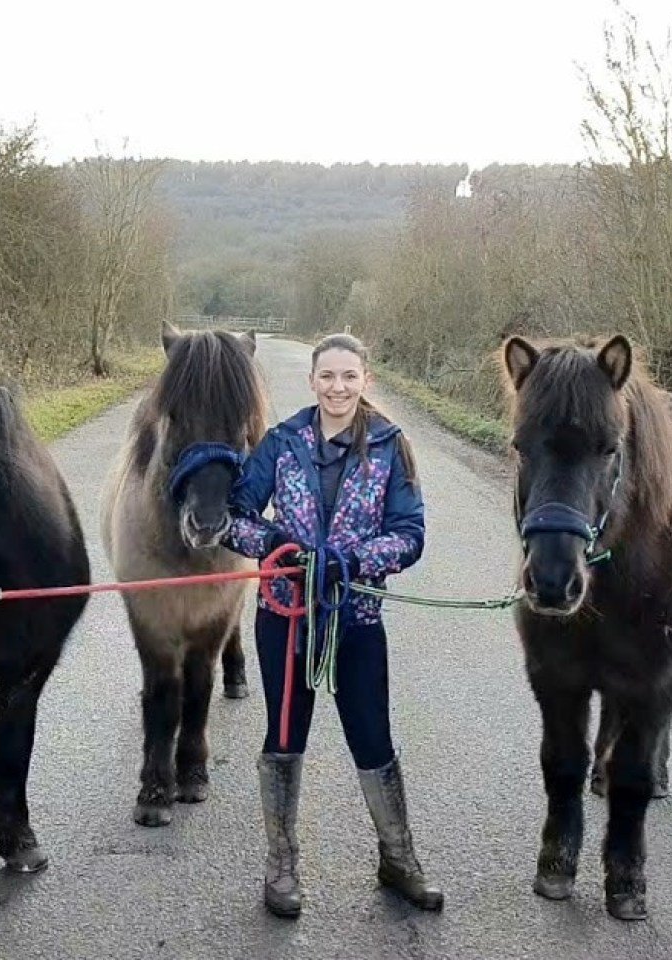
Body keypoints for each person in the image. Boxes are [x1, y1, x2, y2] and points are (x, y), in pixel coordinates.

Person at [223, 333, 443, 918]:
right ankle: (282, 865)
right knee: (285, 736)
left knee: (372, 738)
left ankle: (398, 860)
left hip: (356, 618)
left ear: (366, 380)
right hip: (286, 618)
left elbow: (410, 534)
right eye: (328, 377)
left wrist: (357, 561)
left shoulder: (392, 448)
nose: (338, 387)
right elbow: (234, 518)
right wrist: (275, 544)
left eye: (349, 376)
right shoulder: (281, 442)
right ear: (312, 380)